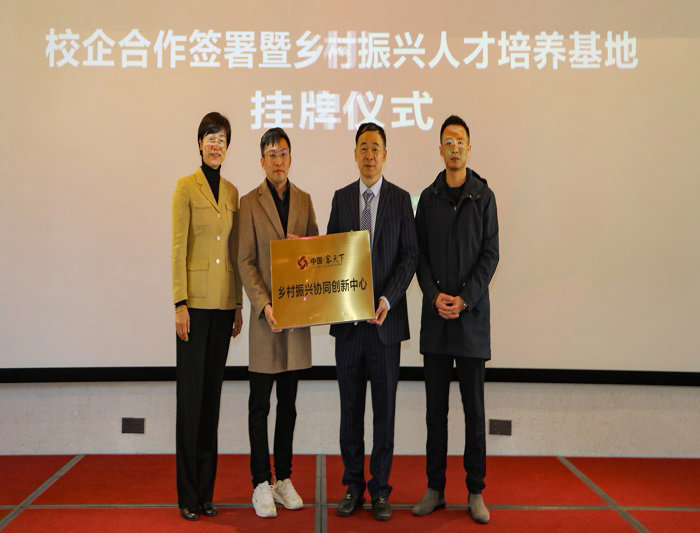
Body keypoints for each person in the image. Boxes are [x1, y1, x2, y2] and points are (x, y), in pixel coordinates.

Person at [327, 122, 418, 521]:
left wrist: (387, 298)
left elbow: (410, 256)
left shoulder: (400, 200)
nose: (369, 154)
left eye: (375, 148)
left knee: (384, 413)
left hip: (385, 326)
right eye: (363, 147)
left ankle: (380, 489)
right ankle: (353, 486)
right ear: (355, 153)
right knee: (350, 412)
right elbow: (331, 256)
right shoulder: (341, 198)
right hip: (349, 329)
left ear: (385, 154)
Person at [412, 115, 499, 524]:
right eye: (448, 141)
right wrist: (435, 297)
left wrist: (465, 299)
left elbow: (490, 256)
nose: (454, 147)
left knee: (474, 412)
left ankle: (476, 490)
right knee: (435, 414)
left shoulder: (484, 197)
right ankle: (435, 488)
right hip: (436, 321)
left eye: (460, 140)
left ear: (469, 147)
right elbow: (419, 256)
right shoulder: (427, 200)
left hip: (471, 321)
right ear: (440, 149)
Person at [237, 128, 319, 518]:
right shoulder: (248, 203)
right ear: (262, 161)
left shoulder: (304, 200)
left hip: (296, 319)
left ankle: (283, 478)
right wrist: (264, 305)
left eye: (283, 153)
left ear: (291, 157)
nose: (278, 160)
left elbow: (318, 255)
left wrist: (305, 248)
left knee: (288, 405)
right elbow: (245, 261)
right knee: (259, 405)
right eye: (271, 154)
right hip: (265, 319)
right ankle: (260, 482)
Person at [172, 111, 243, 521]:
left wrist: (237, 304)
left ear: (227, 147)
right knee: (190, 401)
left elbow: (234, 252)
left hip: (222, 308)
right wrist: (179, 303)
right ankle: (187, 495)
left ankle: (206, 493)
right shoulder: (186, 187)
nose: (216, 145)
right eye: (210, 137)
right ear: (199, 144)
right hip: (194, 309)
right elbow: (178, 246)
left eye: (221, 139)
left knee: (211, 401)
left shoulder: (232, 192)